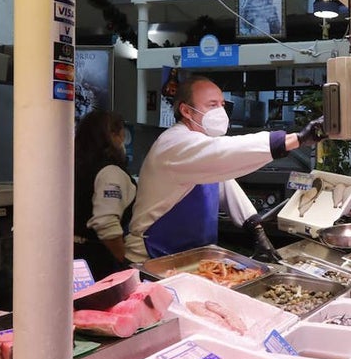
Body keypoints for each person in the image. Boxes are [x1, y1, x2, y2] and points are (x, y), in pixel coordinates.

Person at [126, 76, 324, 263]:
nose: (220, 112)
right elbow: (225, 151)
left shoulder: (203, 147)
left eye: (222, 105)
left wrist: (254, 226)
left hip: (189, 257)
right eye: (212, 105)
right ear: (186, 111)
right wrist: (296, 139)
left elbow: (225, 185)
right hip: (151, 255)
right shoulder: (174, 142)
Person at [74, 109, 135, 280]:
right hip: (98, 261)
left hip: (69, 256)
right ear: (114, 135)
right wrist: (124, 261)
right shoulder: (110, 172)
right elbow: (106, 223)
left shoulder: (71, 168)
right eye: (122, 133)